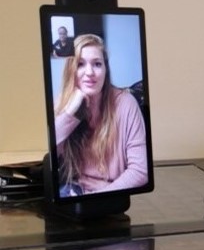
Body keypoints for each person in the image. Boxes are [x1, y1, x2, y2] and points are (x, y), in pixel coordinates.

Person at [54, 34, 148, 197]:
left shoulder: (126, 103)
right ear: (71, 70)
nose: (89, 72)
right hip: (73, 192)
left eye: (97, 64)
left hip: (114, 195)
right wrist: (70, 113)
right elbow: (48, 155)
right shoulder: (63, 103)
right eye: (80, 64)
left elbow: (141, 171)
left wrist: (103, 193)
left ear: (106, 70)